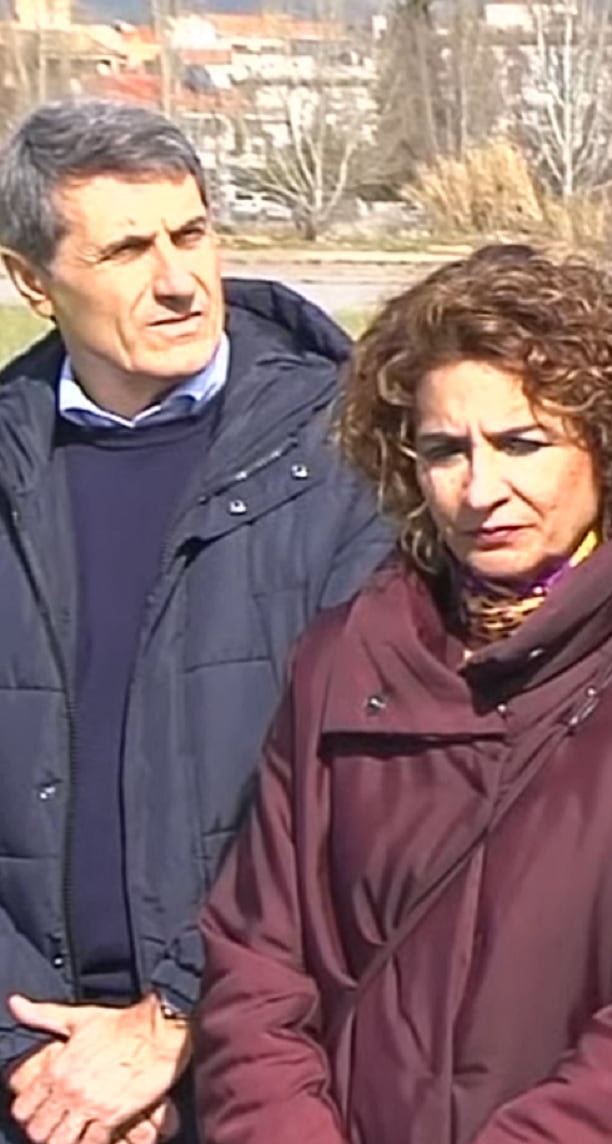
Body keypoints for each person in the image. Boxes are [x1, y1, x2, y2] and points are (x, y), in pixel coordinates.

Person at [190, 243, 612, 1144]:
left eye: (522, 444)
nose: (481, 490)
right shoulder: (343, 662)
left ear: (608, 449)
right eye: (445, 450)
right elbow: (257, 966)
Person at [0, 99, 393, 1144]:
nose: (177, 280)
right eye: (127, 251)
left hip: (272, 1062)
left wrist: (176, 1014)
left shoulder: (351, 459)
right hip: (39, 1077)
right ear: (31, 280)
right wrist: (34, 1060)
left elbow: (367, 787)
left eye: (191, 233)